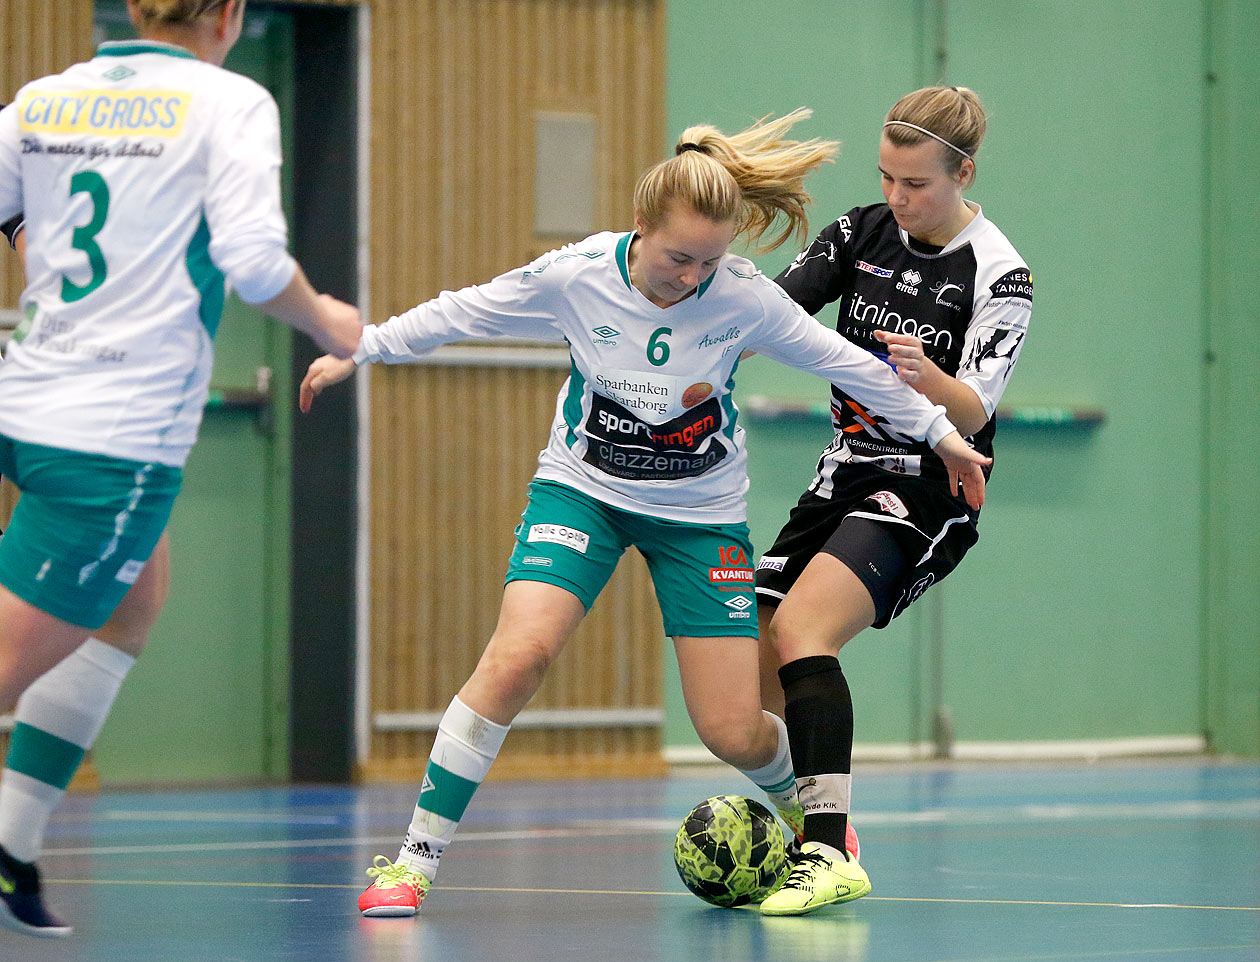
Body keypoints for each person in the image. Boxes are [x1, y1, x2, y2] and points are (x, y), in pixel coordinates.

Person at [299, 107, 990, 919]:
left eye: (709, 261)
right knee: (518, 657)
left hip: (699, 518)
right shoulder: (577, 273)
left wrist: (942, 433)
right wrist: (363, 348)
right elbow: (465, 311)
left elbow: (851, 364)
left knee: (733, 730)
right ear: (638, 226)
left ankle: (812, 811)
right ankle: (412, 863)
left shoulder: (743, 298)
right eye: (677, 258)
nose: (692, 277)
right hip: (582, 493)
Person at [0, 0, 362, 936]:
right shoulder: (228, 101)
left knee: (132, 600)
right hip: (110, 439)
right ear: (228, 13)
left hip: (31, 398)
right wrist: (331, 320)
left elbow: (15, 211)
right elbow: (249, 263)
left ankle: (10, 842)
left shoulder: (49, 96)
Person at [753, 86, 1032, 915]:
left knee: (805, 631)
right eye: (888, 179)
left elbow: (978, 405)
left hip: (930, 486)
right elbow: (774, 310)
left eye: (916, 185)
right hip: (841, 472)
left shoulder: (999, 271)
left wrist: (928, 379)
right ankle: (816, 822)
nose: (898, 199)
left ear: (964, 173)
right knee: (755, 661)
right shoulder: (862, 230)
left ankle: (829, 852)